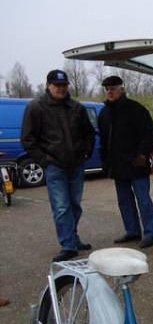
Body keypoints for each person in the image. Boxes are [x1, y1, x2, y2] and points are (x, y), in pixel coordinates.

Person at [21, 70, 96, 262]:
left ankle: (73, 237)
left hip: (76, 165)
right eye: (57, 85)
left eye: (64, 85)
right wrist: (45, 161)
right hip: (54, 166)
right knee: (61, 207)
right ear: (48, 85)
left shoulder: (76, 107)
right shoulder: (36, 108)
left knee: (75, 205)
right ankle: (68, 245)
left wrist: (86, 152)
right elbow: (28, 140)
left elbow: (89, 133)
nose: (61, 88)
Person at [98, 76, 153, 249]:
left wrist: (141, 154)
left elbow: (149, 134)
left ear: (122, 89)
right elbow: (103, 141)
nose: (110, 91)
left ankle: (151, 233)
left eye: (114, 88)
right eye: (107, 89)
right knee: (124, 201)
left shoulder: (136, 109)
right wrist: (105, 162)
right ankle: (132, 231)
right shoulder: (104, 114)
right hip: (118, 167)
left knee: (143, 200)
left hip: (136, 165)